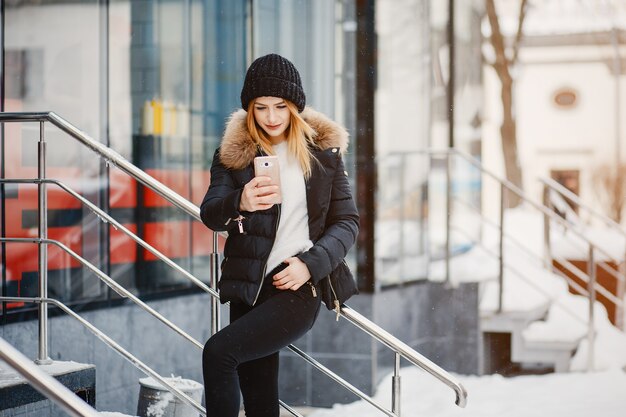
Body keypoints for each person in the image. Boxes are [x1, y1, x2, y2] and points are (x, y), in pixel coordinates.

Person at [199, 53, 359, 417]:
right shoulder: (233, 156)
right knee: (259, 399)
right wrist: (242, 200)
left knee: (219, 353)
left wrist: (310, 265)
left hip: (296, 285)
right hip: (248, 287)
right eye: (261, 108)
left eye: (280, 107)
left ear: (295, 108)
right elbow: (210, 213)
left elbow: (347, 221)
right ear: (249, 109)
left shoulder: (323, 155)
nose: (271, 118)